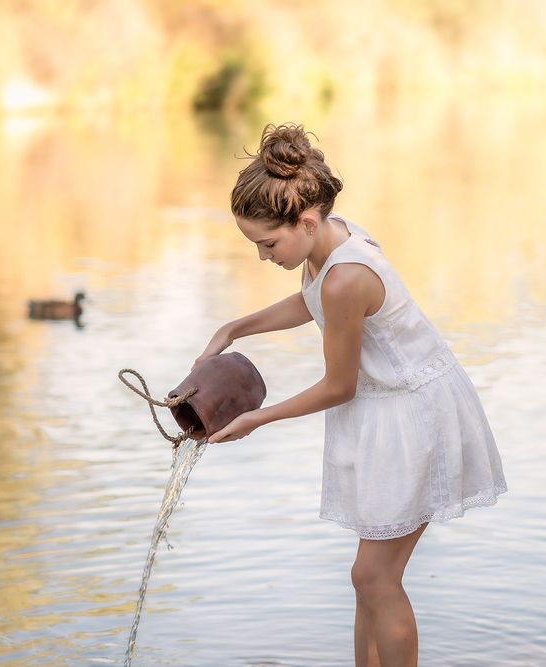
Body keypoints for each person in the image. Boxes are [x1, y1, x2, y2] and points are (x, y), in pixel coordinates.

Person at [192, 123, 507, 666]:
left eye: (268, 244)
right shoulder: (330, 239)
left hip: (415, 413)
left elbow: (339, 386)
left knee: (374, 576)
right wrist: (234, 328)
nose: (263, 257)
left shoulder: (347, 277)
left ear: (306, 222)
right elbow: (311, 302)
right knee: (370, 579)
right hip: (384, 410)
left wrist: (256, 419)